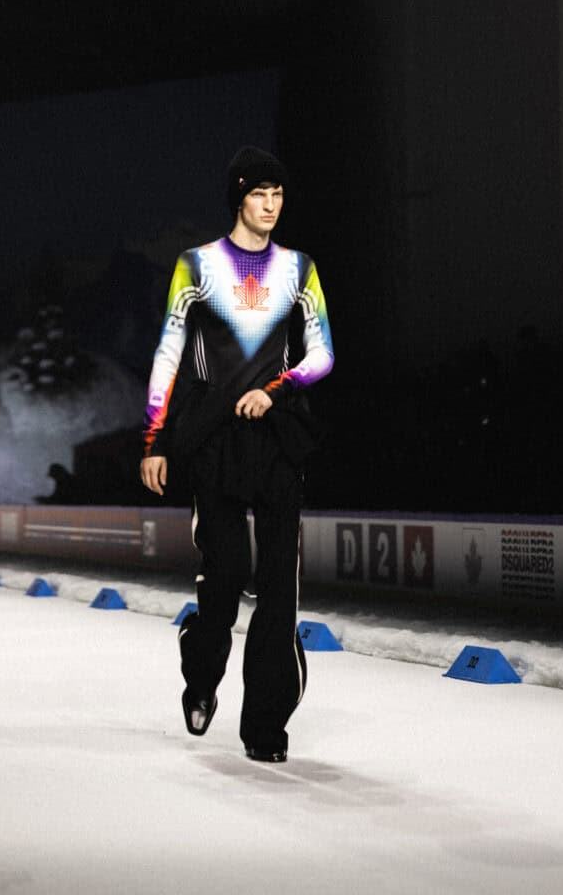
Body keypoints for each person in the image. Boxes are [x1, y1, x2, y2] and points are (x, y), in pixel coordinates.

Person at [140, 146, 334, 763]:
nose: (271, 206)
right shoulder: (195, 266)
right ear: (239, 199)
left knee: (279, 592)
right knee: (222, 577)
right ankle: (201, 674)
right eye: (259, 195)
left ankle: (265, 730)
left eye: (279, 195)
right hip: (212, 440)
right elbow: (169, 353)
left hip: (277, 435)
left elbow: (322, 354)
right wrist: (155, 439)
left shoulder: (300, 268)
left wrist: (275, 391)